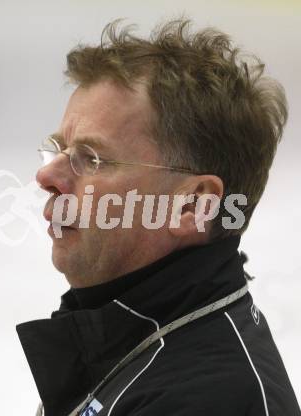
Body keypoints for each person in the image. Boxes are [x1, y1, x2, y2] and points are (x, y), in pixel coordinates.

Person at [16, 18, 300, 416]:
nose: (47, 176)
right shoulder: (129, 336)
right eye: (59, 149)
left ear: (193, 205)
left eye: (92, 159)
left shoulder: (214, 403)